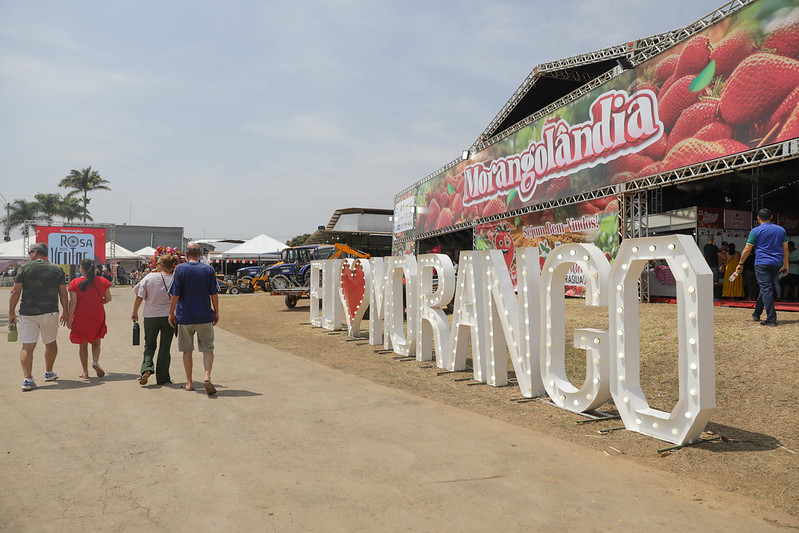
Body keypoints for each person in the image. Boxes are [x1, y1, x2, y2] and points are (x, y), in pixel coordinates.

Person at [8, 243, 68, 391]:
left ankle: (27, 379)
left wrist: (11, 313)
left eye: (30, 253)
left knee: (27, 346)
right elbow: (63, 292)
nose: (29, 255)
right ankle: (49, 372)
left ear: (35, 252)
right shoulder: (57, 269)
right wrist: (65, 311)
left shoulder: (25, 268)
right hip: (50, 311)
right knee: (50, 342)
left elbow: (15, 292)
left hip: (28, 313)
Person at [168, 244, 219, 395]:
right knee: (208, 348)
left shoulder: (180, 269)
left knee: (187, 350)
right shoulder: (208, 269)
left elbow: (175, 294)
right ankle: (207, 376)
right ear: (200, 254)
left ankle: (189, 383)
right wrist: (216, 312)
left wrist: (171, 312)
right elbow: (214, 293)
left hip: (185, 316)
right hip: (204, 315)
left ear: (186, 254)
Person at [735, 208, 789, 326]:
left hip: (762, 263)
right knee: (766, 287)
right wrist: (786, 264)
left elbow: (747, 249)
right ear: (772, 217)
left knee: (766, 289)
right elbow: (785, 248)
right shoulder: (781, 230)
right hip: (776, 263)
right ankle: (757, 313)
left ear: (758, 218)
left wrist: (740, 263)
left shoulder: (755, 231)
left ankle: (771, 319)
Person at [131, 254, 178, 385]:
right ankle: (163, 378)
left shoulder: (150, 277)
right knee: (165, 347)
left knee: (149, 345)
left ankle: (146, 369)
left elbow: (139, 296)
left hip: (151, 317)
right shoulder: (174, 279)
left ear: (160, 265)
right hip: (169, 316)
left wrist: (134, 312)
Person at [67, 258, 112, 378]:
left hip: (81, 316)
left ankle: (85, 371)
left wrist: (69, 318)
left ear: (81, 269)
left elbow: (73, 302)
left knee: (83, 345)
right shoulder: (103, 281)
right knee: (96, 342)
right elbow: (108, 299)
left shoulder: (74, 283)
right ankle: (95, 362)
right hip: (97, 314)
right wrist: (98, 302)